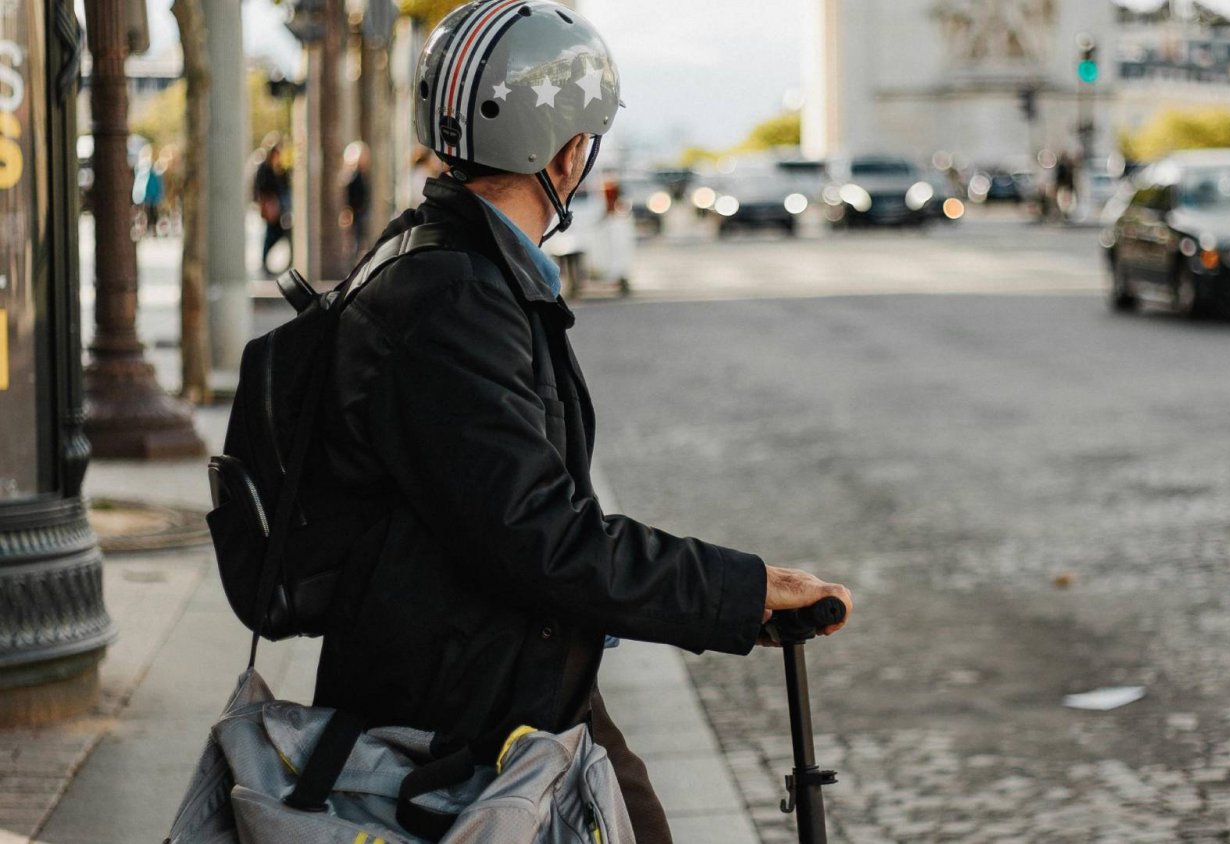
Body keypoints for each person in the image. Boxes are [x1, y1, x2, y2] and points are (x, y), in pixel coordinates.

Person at [310, 3, 853, 842]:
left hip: (505, 674)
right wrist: (740, 591)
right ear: (566, 151)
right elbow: (542, 533)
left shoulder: (447, 266)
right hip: (468, 713)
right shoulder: (454, 297)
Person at [252, 138, 291, 275]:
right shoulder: (264, 168)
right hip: (271, 206)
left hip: (279, 207)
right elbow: (261, 188)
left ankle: (271, 262)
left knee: (280, 232)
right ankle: (264, 262)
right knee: (271, 234)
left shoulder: (279, 168)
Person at [341, 141, 372, 259]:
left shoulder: (362, 175)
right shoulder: (353, 176)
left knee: (360, 239)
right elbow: (350, 196)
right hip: (356, 212)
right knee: (355, 240)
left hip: (360, 211)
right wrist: (348, 211)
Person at [132, 143, 164, 237]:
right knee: (146, 213)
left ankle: (150, 230)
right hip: (145, 196)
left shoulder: (151, 169)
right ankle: (146, 230)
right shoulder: (143, 169)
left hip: (148, 195)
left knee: (151, 213)